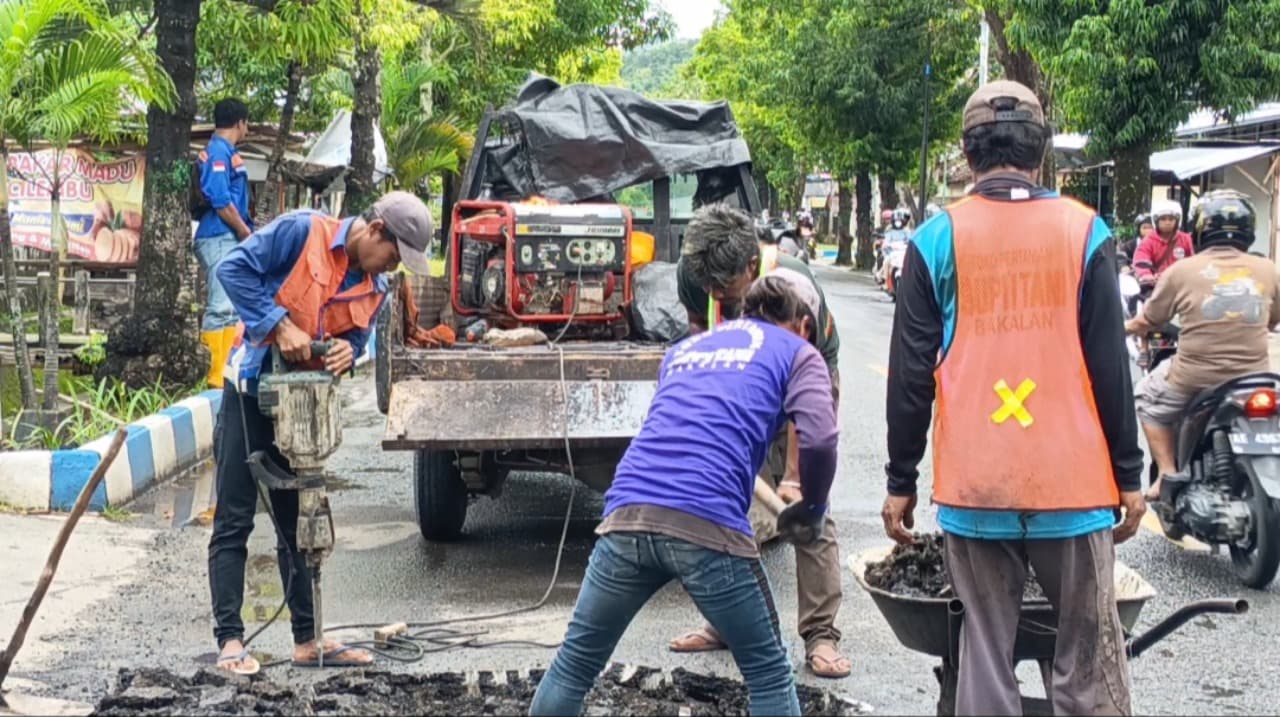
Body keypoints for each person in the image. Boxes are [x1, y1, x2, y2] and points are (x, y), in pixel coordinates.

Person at [883, 80, 1145, 715]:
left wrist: (900, 480)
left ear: (969, 156)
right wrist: (1129, 477)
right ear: (1040, 154)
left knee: (984, 654)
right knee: (1086, 661)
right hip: (1074, 489)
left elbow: (911, 376)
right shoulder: (1085, 231)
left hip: (976, 489)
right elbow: (1112, 368)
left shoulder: (934, 241)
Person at [529, 273, 839, 716]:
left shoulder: (685, 350)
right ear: (804, 325)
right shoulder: (799, 352)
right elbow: (821, 439)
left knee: (573, 666)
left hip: (628, 514)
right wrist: (814, 507)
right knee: (769, 674)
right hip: (707, 521)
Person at [208, 191, 434, 675]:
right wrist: (278, 325)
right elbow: (232, 271)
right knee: (235, 517)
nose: (392, 269)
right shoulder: (301, 232)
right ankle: (230, 641)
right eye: (393, 256)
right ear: (374, 231)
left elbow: (355, 336)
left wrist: (347, 353)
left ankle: (307, 641)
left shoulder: (376, 288)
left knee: (300, 524)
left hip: (303, 409)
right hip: (250, 390)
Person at [670, 204, 849, 679]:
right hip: (738, 391)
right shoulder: (697, 276)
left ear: (752, 267)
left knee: (806, 509)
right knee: (723, 511)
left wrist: (793, 475)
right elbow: (698, 340)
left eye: (725, 287)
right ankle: (725, 623)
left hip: (801, 389)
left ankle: (821, 635)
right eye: (707, 285)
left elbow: (813, 392)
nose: (714, 294)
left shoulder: (794, 287)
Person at [1126, 189, 1280, 501]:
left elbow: (1149, 320)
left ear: (1198, 228)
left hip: (1193, 378)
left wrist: (1121, 327)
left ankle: (1167, 472)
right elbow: (1272, 320)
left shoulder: (1181, 271)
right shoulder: (1270, 269)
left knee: (1145, 398)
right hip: (1254, 378)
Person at [195, 98, 255, 389]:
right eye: (247, 124)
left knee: (230, 307)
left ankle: (225, 369)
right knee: (219, 306)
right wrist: (245, 231)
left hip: (227, 237)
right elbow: (220, 200)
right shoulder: (218, 152)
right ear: (240, 123)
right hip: (218, 236)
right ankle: (213, 375)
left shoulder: (227, 151)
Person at [1133, 200, 1193, 286]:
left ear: (1177, 221)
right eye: (1163, 219)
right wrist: (1146, 275)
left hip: (1182, 285)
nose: (1167, 222)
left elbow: (1194, 260)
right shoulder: (1148, 240)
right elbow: (1141, 259)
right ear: (1156, 221)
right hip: (1157, 285)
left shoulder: (1186, 239)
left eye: (1171, 219)